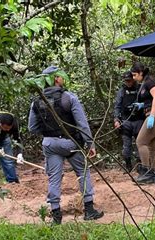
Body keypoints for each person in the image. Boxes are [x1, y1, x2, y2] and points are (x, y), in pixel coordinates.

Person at [28, 65, 104, 224]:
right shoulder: (69, 98)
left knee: (54, 178)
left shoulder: (36, 102)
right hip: (71, 143)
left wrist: (49, 132)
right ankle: (89, 210)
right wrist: (90, 144)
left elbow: (32, 128)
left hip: (49, 144)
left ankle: (56, 215)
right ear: (56, 78)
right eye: (61, 75)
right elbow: (82, 124)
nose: (63, 78)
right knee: (83, 172)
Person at [130, 62, 155, 184]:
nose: (133, 78)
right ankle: (154, 174)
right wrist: (143, 105)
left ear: (141, 73)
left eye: (135, 75)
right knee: (153, 147)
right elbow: (151, 99)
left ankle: (147, 172)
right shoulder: (146, 82)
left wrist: (152, 116)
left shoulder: (150, 81)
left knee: (140, 142)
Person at [113, 71, 145, 172]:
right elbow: (117, 106)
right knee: (126, 146)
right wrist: (116, 120)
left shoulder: (140, 89)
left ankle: (140, 166)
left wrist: (141, 105)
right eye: (126, 81)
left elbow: (148, 101)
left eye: (130, 80)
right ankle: (128, 167)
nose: (128, 83)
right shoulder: (122, 91)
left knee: (140, 144)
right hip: (126, 121)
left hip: (139, 121)